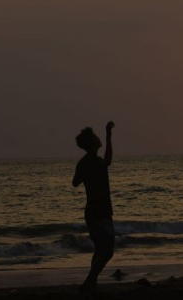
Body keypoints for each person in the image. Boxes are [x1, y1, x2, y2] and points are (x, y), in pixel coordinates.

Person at [73, 121, 116, 298]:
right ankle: (88, 283)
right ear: (92, 143)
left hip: (94, 211)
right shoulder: (94, 161)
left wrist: (86, 175)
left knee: (99, 250)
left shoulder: (84, 162)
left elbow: (75, 182)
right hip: (100, 212)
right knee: (108, 251)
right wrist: (108, 135)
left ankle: (93, 287)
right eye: (97, 137)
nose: (99, 138)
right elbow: (108, 160)